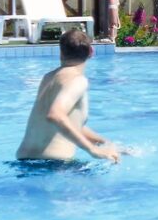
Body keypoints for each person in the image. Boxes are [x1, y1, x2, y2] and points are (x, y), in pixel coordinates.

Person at [16, 30, 121, 164]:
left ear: (61, 52)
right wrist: (92, 150)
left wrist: (106, 144)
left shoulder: (48, 78)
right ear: (91, 52)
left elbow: (69, 125)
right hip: (54, 166)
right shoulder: (78, 80)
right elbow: (56, 115)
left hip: (23, 163)